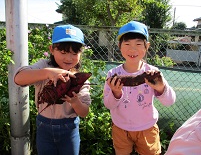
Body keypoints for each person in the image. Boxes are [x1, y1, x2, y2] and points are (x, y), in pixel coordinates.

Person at [14, 24, 91, 155]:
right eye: (63, 52)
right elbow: (18, 78)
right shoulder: (44, 66)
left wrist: (75, 102)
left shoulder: (79, 79)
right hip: (44, 128)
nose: (68, 58)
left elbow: (84, 112)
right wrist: (48, 73)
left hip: (69, 129)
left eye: (74, 53)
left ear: (80, 53)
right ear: (51, 49)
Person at [103, 21, 176, 155]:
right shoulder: (112, 74)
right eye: (127, 44)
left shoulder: (153, 73)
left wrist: (161, 88)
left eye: (138, 44)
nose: (132, 49)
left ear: (146, 46)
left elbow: (169, 101)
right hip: (120, 128)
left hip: (147, 128)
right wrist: (116, 93)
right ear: (119, 46)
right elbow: (108, 105)